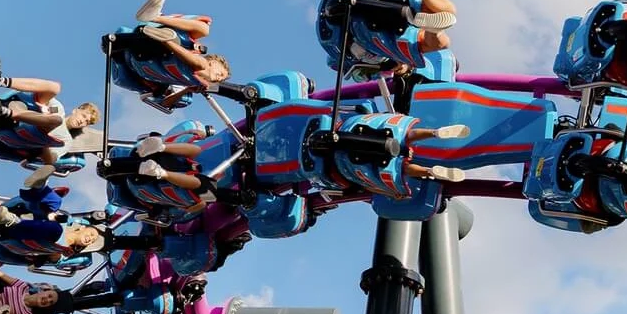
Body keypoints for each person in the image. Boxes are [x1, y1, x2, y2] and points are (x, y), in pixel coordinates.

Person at [125, 123, 473, 190]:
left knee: (202, 176)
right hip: (233, 161)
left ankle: (433, 163)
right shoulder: (198, 132)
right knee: (202, 182)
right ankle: (163, 166)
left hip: (237, 161)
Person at [0, 56, 104, 163]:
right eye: (84, 116)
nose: (83, 121)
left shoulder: (66, 139)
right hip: (15, 112)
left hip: (25, 137)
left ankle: (4, 112)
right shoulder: (58, 107)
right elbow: (26, 97)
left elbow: (50, 160)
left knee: (55, 120)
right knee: (55, 88)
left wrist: (44, 151)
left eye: (87, 122)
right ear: (76, 110)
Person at [131, 0, 233, 89]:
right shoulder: (195, 54)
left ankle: (163, 38)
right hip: (155, 45)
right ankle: (154, 18)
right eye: (221, 74)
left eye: (221, 80)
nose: (219, 79)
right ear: (214, 62)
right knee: (205, 29)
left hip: (145, 60)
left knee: (201, 65)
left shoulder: (195, 82)